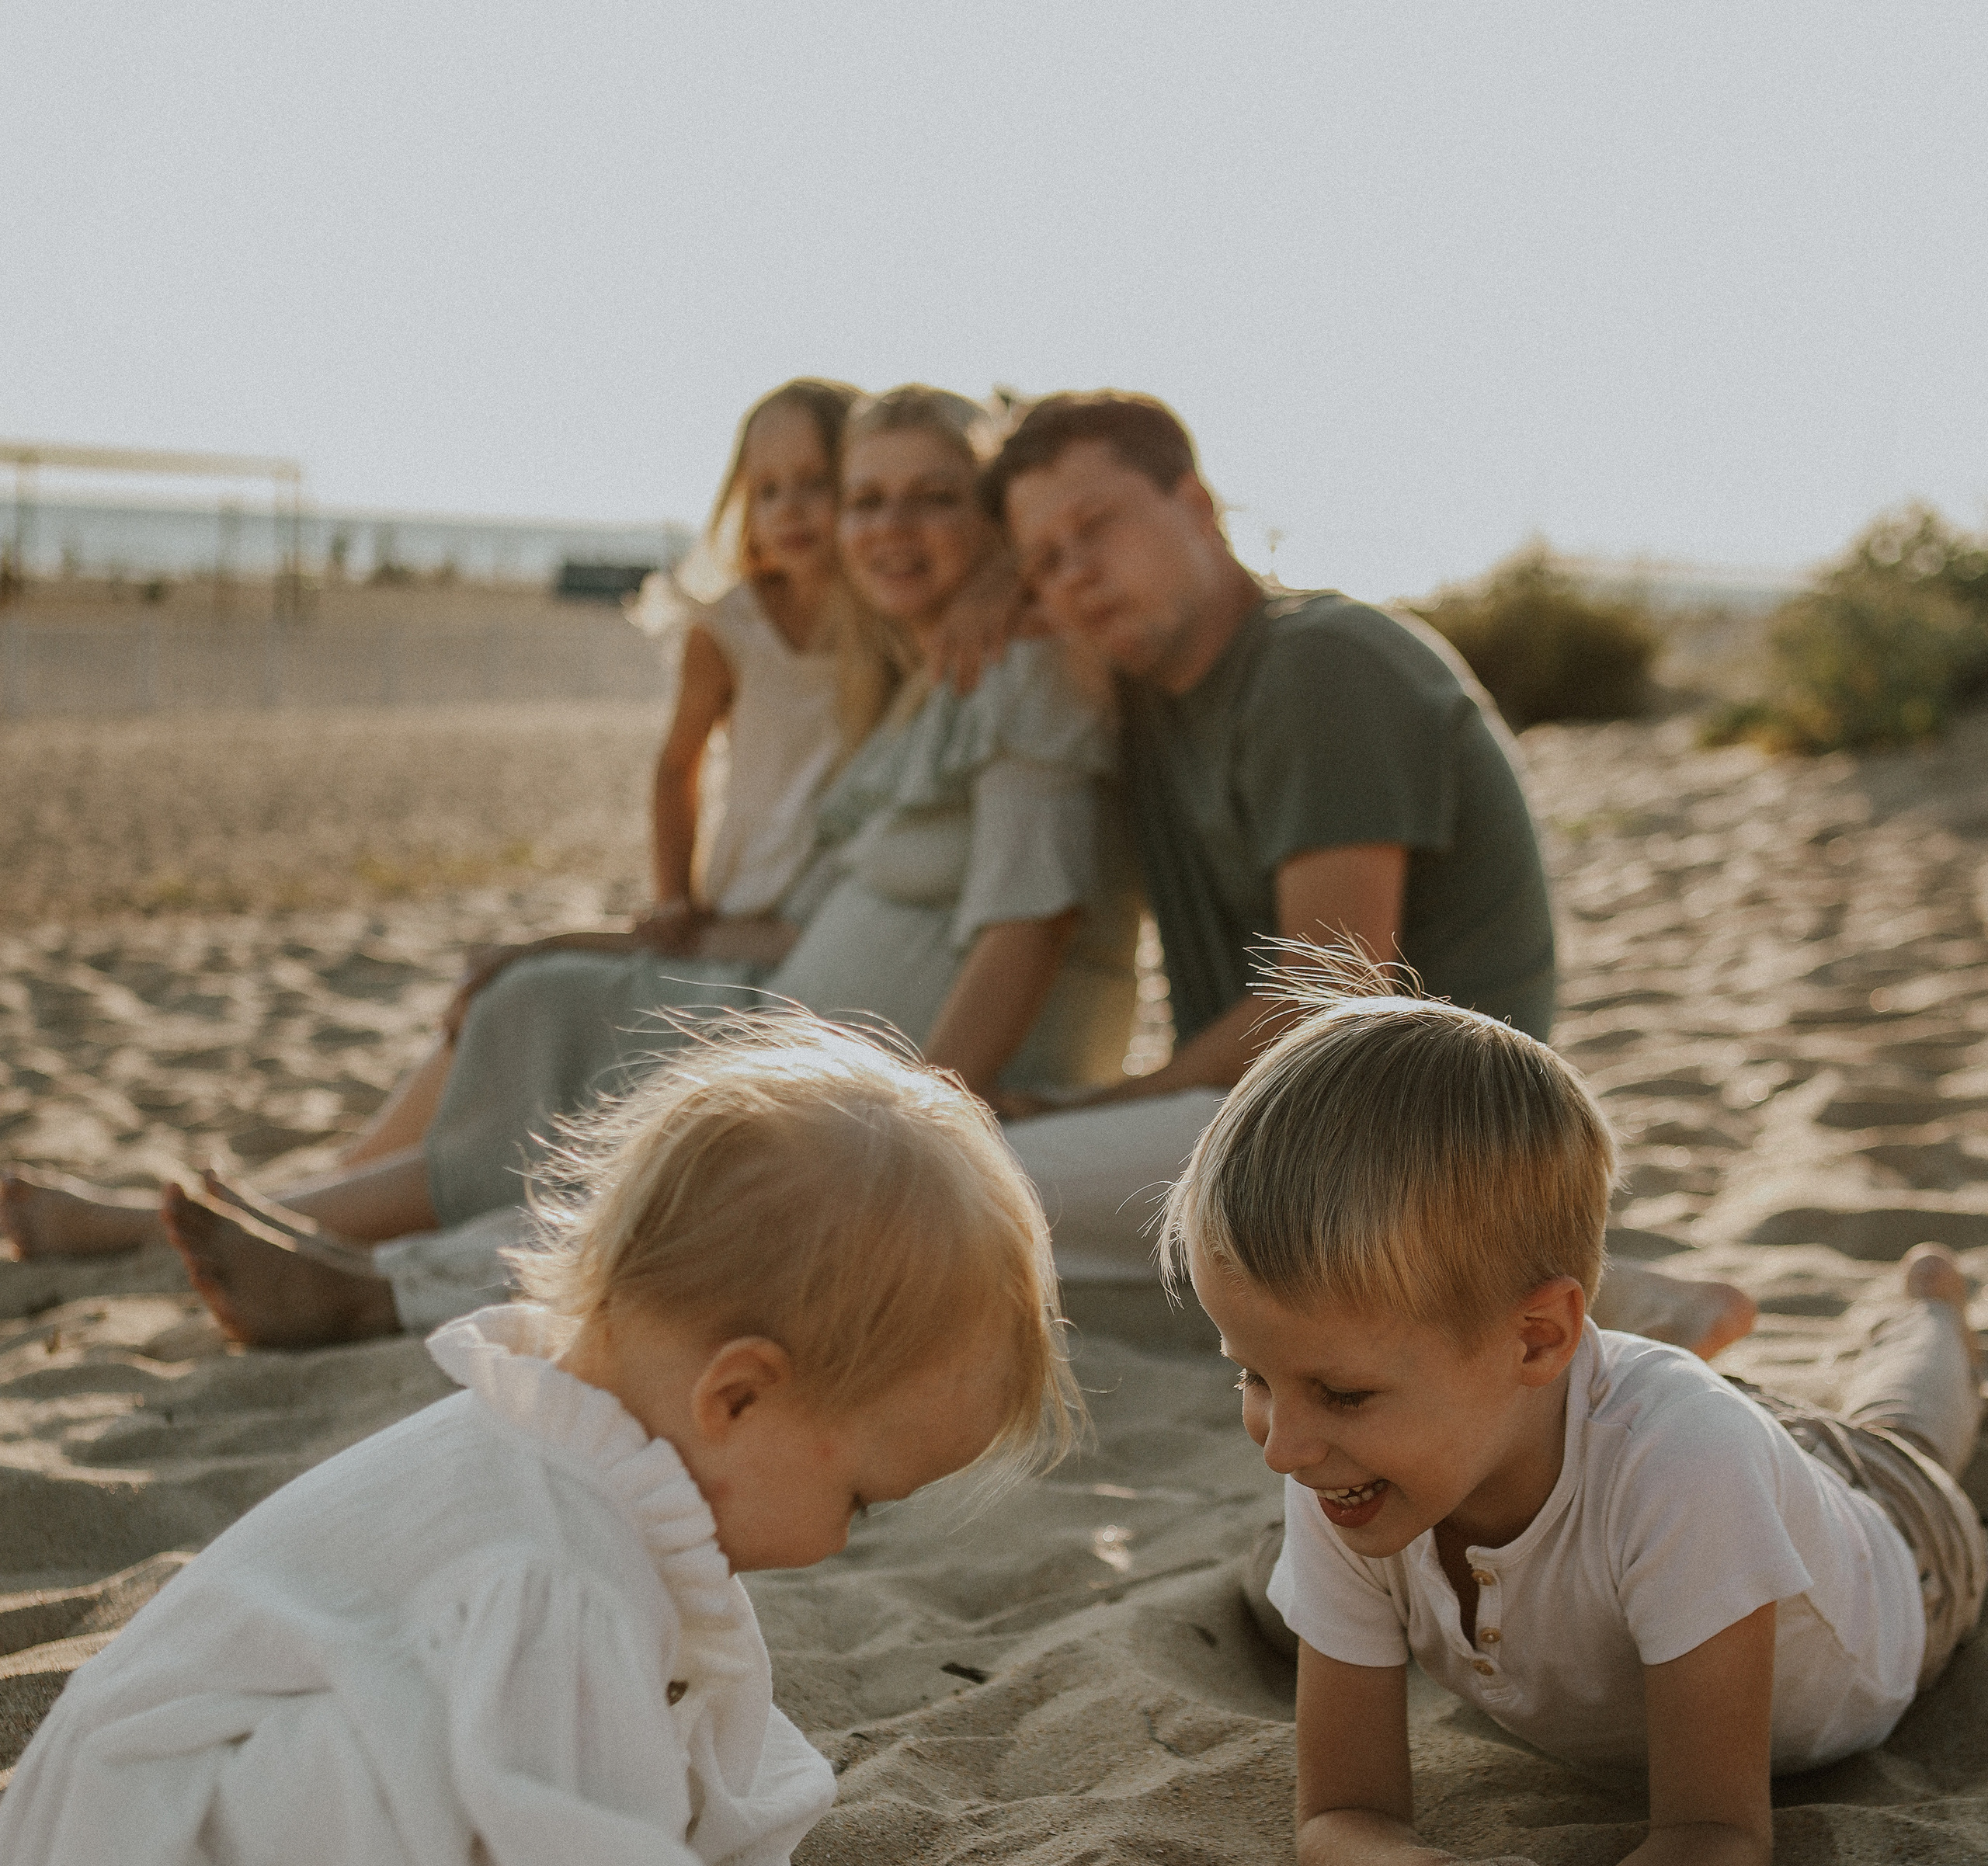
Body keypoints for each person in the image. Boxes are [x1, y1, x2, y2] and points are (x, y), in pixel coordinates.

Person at [0, 1015, 1049, 1866]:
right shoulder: (548, 1560)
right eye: (861, 1498)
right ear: (738, 1394)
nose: (848, 1541)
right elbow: (579, 1851)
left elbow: (644, 1759)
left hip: (193, 1847)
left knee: (461, 1755)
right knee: (415, 1761)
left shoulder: (582, 1462)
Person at [13, 387, 1140, 1350]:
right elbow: (819, 908)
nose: (892, 528)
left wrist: (917, 1124)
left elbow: (1028, 927)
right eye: (870, 500)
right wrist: (574, 936)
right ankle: (276, 1228)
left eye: (937, 498)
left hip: (895, 1067)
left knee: (628, 1112)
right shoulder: (932, 669)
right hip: (790, 1004)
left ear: (994, 516)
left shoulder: (1025, 671)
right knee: (540, 996)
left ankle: (299, 1255)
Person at [1159, 963, 1985, 1866]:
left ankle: (1934, 1317)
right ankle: (1661, 1333)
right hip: (1619, 1429)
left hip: (1899, 1549)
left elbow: (1717, 1834)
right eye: (1251, 1375)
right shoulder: (1336, 1466)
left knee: (1906, 1430)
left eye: (1340, 1392)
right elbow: (1339, 1815)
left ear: (1537, 1337)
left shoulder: (1685, 1467)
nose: (1281, 1445)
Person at [0, 377, 862, 1261]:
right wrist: (674, 895)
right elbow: (675, 767)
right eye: (768, 489)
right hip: (726, 913)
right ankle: (297, 1198)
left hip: (799, 940)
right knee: (503, 989)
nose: (791, 509)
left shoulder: (883, 633)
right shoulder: (731, 628)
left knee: (527, 993)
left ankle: (252, 1214)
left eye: (815, 483)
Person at [984, 391, 1756, 1354]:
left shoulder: (1319, 665)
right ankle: (1567, 1294)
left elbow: (1329, 990)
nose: (1076, 574)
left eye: (1096, 525)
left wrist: (1106, 1105)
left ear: (1196, 502)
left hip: (1416, 1124)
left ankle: (1606, 1302)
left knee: (976, 1191)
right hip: (1301, 1123)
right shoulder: (1153, 703)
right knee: (1005, 1205)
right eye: (1043, 563)